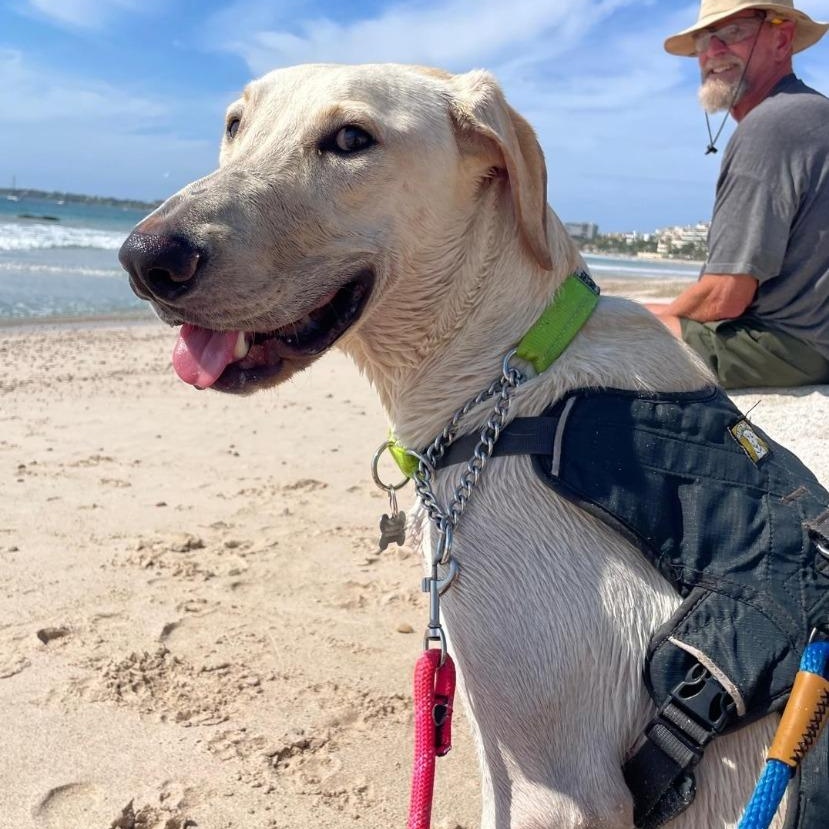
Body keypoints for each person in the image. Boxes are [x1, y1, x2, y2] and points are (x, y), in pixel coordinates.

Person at [645, 0, 829, 388]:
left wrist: (636, 323)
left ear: (782, 40)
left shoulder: (771, 125)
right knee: (631, 313)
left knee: (601, 336)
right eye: (704, 39)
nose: (713, 51)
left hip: (787, 346)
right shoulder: (811, 111)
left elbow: (725, 296)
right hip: (813, 337)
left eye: (734, 32)